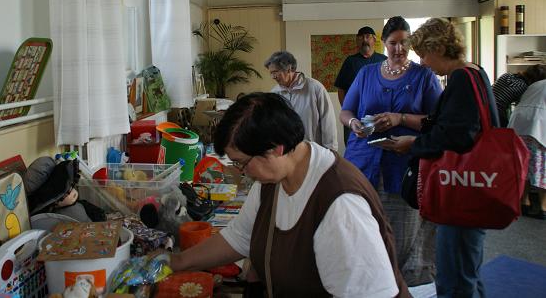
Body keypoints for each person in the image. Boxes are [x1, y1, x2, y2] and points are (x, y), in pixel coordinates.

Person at [169, 92, 410, 297]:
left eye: (242, 163)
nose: (242, 172)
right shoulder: (273, 178)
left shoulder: (340, 203)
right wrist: (175, 262)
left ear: (275, 148)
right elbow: (239, 236)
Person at [382, 18, 499, 298]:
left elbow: (456, 135)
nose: (423, 62)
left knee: (453, 276)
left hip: (460, 192)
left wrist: (414, 144)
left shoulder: (461, 78)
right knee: (468, 272)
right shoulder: (476, 72)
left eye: (424, 54)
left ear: (439, 48)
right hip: (475, 188)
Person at [338, 16, 442, 286]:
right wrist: (354, 123)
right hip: (363, 162)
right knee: (360, 229)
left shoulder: (424, 76)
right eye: (393, 43)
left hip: (402, 166)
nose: (399, 49)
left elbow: (437, 121)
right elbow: (346, 111)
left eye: (404, 42)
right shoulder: (367, 73)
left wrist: (400, 118)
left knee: (399, 237)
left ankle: (396, 286)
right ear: (383, 43)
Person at [264, 51, 338, 153]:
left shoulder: (315, 88)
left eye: (275, 72)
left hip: (314, 152)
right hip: (286, 153)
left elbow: (328, 120)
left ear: (289, 69)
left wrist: (331, 150)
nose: (273, 77)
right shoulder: (274, 94)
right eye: (271, 73)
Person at [335, 26, 388, 144]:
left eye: (368, 37)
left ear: (374, 39)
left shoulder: (384, 61)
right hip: (354, 117)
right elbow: (341, 88)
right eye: (361, 37)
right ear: (357, 41)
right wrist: (347, 110)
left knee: (378, 146)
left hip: (378, 116)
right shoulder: (350, 62)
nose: (364, 40)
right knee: (353, 146)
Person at [509, 79, 546, 220]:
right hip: (539, 124)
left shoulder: (537, 83)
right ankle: (543, 206)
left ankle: (523, 202)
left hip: (520, 123)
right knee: (541, 166)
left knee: (524, 163)